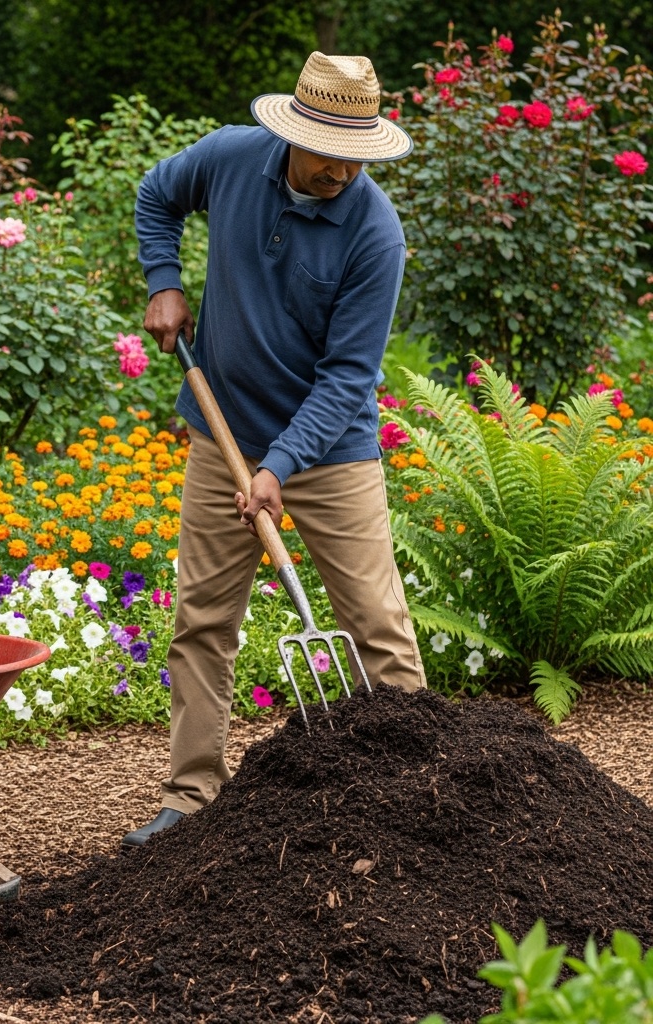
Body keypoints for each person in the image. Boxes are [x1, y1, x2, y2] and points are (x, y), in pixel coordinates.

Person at [122, 51, 427, 851]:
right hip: (222, 435)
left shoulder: (374, 232)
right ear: (293, 134)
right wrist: (165, 279)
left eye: (357, 156)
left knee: (377, 627)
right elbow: (157, 194)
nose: (342, 171)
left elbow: (347, 378)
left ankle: (417, 801)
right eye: (329, 152)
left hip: (330, 455)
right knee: (202, 620)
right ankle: (190, 799)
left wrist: (278, 469)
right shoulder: (230, 158)